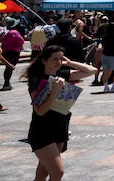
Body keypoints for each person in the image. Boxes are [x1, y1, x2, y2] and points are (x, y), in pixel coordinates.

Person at [22, 44, 97, 181]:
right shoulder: (37, 80)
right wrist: (55, 90)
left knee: (42, 173)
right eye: (54, 59)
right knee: (58, 172)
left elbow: (92, 70)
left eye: (61, 59)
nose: (58, 62)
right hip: (42, 130)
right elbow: (40, 111)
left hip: (59, 126)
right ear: (44, 60)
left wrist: (70, 63)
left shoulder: (61, 75)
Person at [1, 17, 25, 90]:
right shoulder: (14, 32)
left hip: (5, 51)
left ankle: (7, 82)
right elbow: (21, 41)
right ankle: (6, 83)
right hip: (13, 52)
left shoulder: (5, 32)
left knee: (8, 68)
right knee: (10, 68)